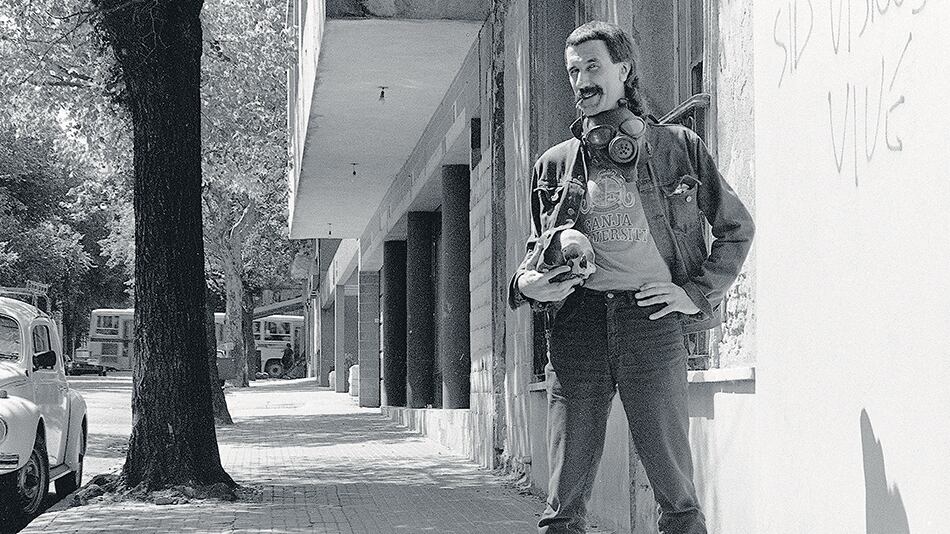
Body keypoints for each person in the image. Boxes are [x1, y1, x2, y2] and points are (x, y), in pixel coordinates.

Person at [508, 21, 754, 534]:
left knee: (675, 488)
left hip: (652, 319)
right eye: (573, 71)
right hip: (577, 325)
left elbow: (736, 227)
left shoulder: (678, 147)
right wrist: (524, 286)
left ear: (624, 70)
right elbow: (537, 252)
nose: (581, 81)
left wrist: (694, 293)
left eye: (593, 67)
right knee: (564, 498)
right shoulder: (554, 164)